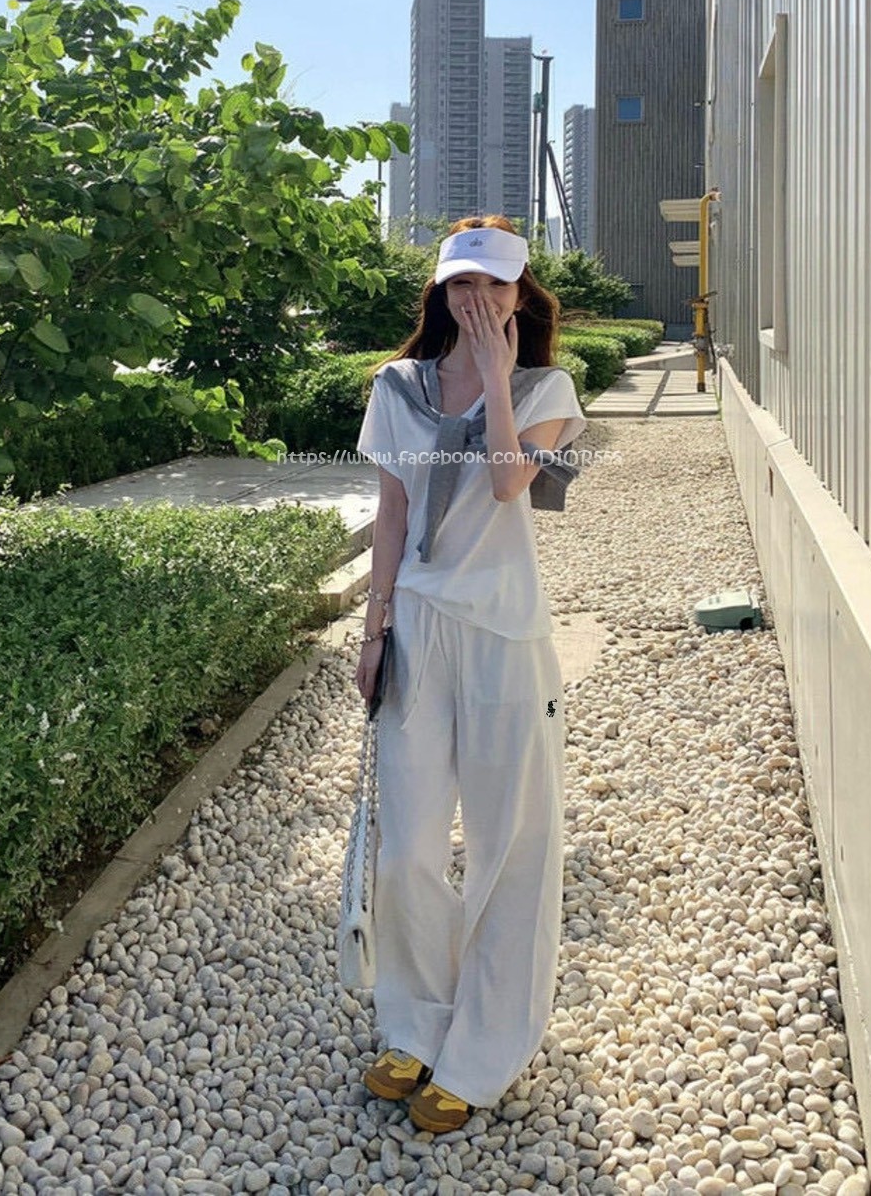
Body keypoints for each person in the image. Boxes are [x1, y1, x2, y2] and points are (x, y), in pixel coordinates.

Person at [353, 215, 587, 1134]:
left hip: (504, 634)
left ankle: (486, 1046)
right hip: (419, 623)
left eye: (492, 284)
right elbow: (391, 511)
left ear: (521, 291)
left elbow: (505, 481)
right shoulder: (397, 386)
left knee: (511, 842)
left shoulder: (548, 388)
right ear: (440, 291)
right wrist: (374, 627)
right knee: (410, 844)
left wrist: (495, 375)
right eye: (461, 283)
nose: (476, 298)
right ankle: (416, 1023)